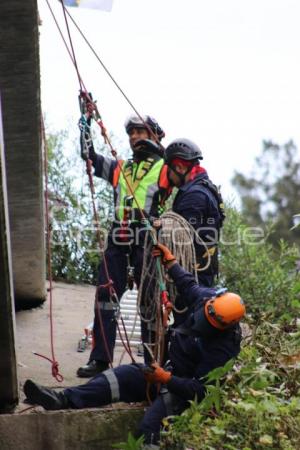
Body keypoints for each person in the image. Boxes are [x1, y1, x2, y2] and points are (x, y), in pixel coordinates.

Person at [23, 242, 244, 449]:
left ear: (225, 327)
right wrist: (171, 262)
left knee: (148, 430)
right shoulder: (207, 299)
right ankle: (62, 399)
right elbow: (187, 284)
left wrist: (167, 380)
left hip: (181, 391)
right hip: (164, 372)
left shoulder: (223, 349)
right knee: (114, 378)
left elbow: (201, 391)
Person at [77, 110, 172, 377]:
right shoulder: (121, 167)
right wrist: (85, 124)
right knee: (105, 297)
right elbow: (90, 157)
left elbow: (184, 179)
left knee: (149, 302)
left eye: (140, 131)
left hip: (147, 239)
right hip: (118, 238)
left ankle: (153, 362)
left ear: (153, 134)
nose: (134, 137)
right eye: (131, 132)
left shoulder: (164, 167)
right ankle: (100, 360)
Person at [164, 138, 225, 287]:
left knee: (188, 310)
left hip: (192, 275)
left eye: (168, 170)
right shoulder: (206, 188)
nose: (168, 176)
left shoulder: (194, 195)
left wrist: (157, 226)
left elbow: (181, 236)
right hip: (202, 272)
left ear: (179, 168)